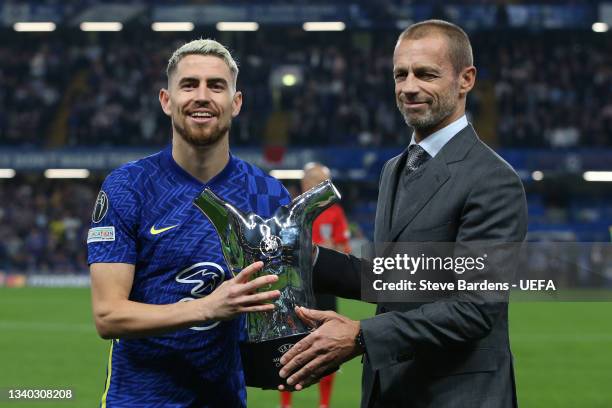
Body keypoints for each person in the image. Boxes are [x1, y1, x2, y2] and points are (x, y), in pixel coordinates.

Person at [278, 19, 528, 407]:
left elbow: (474, 309)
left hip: (458, 396)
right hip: (391, 391)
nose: (409, 86)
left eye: (426, 74)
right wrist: (304, 257)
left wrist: (361, 336)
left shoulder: (494, 180)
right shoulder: (394, 169)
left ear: (466, 80)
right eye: (401, 74)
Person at [87, 39, 291, 407]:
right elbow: (108, 315)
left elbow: (277, 311)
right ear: (166, 100)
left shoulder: (268, 195)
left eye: (216, 86)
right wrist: (206, 308)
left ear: (236, 102)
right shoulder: (128, 187)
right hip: (137, 400)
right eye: (189, 85)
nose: (202, 96)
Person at [279, 162, 351, 408]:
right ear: (304, 184)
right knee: (287, 343)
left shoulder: (335, 213)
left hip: (325, 285)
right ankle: (286, 403)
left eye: (324, 181)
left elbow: (344, 251)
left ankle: (323, 404)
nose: (321, 186)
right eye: (317, 181)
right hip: (295, 286)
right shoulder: (289, 212)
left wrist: (326, 249)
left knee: (326, 342)